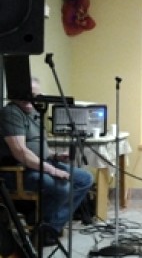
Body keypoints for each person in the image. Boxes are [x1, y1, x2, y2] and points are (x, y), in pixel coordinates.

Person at [0, 77, 94, 246]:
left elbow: (38, 147)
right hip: (20, 170)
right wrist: (54, 170)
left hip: (41, 164)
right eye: (27, 96)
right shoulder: (12, 113)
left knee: (85, 179)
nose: (31, 101)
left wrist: (55, 156)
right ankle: (45, 228)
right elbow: (21, 152)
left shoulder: (35, 113)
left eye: (35, 96)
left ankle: (49, 226)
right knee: (62, 186)